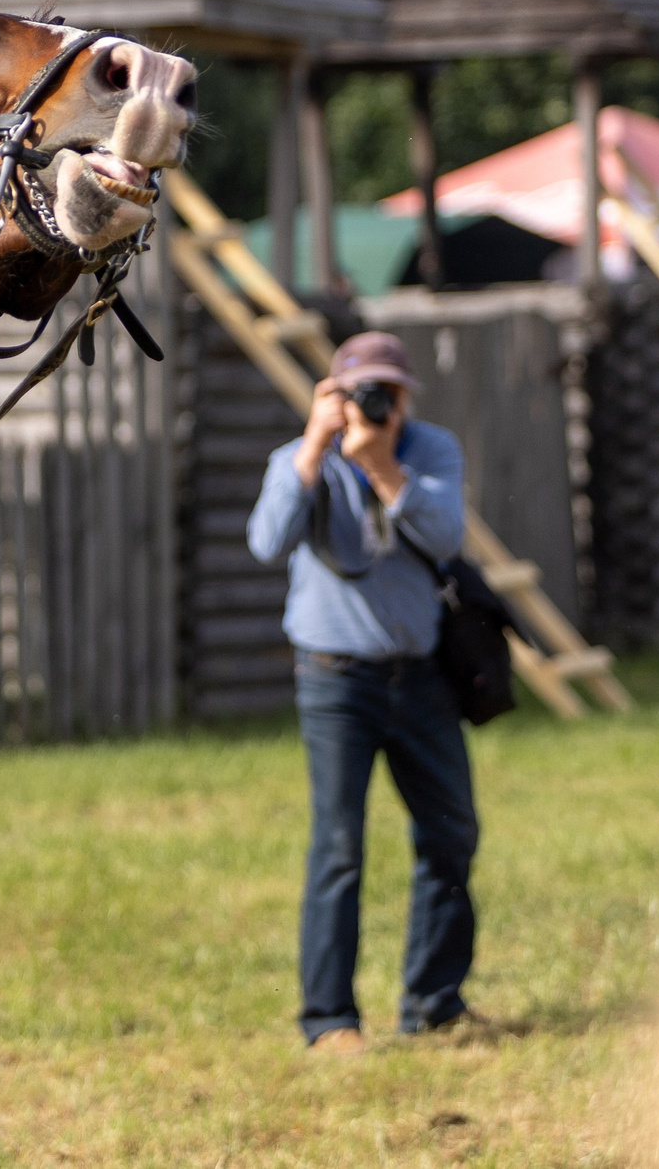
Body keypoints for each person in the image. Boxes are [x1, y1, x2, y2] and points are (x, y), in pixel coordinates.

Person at [247, 331, 479, 1049]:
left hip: (421, 673)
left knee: (451, 834)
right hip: (335, 678)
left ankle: (434, 1003)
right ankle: (329, 1020)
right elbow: (266, 540)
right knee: (340, 845)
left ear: (408, 397)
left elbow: (445, 534)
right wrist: (315, 449)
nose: (376, 404)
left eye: (388, 391)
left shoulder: (430, 449)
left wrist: (380, 464)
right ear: (331, 396)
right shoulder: (298, 458)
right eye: (359, 391)